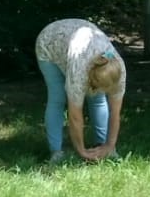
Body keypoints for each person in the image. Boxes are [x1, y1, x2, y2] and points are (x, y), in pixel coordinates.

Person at [35, 18, 126, 163]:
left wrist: (110, 145)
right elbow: (75, 116)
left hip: (78, 41)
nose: (96, 90)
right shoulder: (79, 72)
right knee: (57, 98)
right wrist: (82, 151)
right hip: (49, 43)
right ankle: (56, 152)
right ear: (90, 77)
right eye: (96, 85)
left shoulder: (118, 70)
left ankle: (101, 146)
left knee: (97, 98)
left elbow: (115, 113)